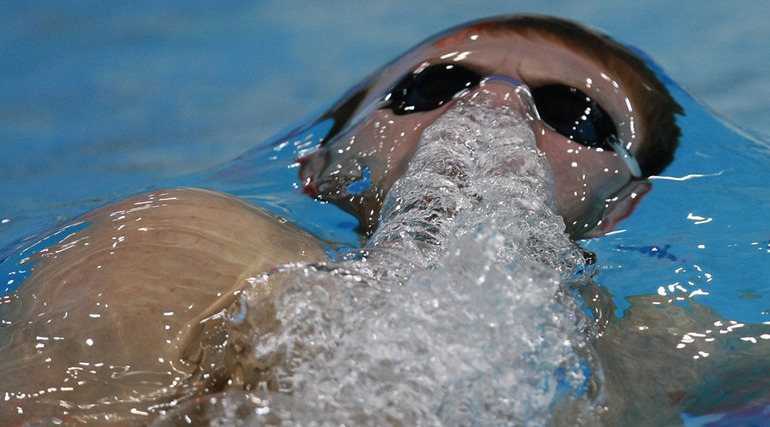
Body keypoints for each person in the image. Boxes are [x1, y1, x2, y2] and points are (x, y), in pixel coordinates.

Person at [0, 15, 683, 424]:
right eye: (432, 87)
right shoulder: (189, 244)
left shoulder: (662, 346)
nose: (494, 108)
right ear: (320, 168)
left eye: (572, 114)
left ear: (622, 204)